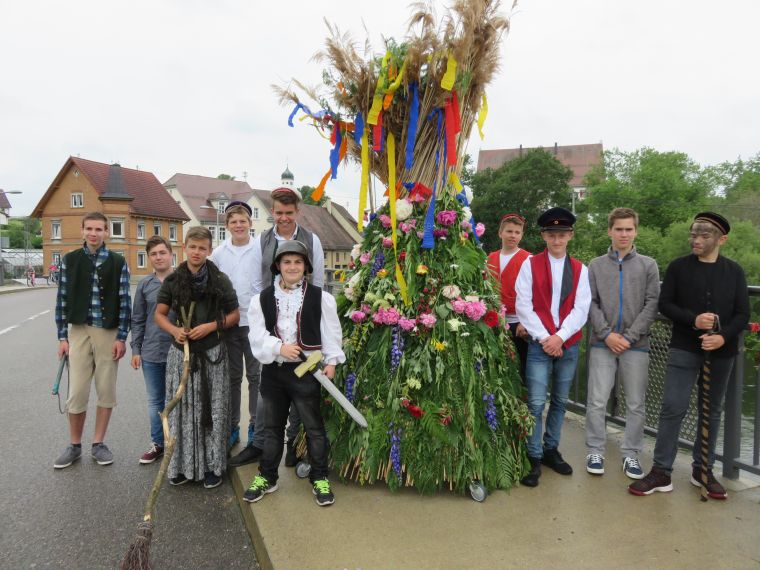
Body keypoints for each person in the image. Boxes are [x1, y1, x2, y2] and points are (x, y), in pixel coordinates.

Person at [629, 212, 749, 499]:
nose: (696, 239)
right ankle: (661, 471)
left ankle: (702, 470)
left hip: (722, 351)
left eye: (704, 235)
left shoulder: (734, 271)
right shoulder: (679, 268)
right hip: (684, 346)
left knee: (712, 410)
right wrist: (693, 320)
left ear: (722, 239)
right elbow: (666, 304)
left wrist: (722, 336)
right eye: (694, 234)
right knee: (673, 406)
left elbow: (742, 313)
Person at [242, 240, 344, 507]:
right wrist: (279, 347)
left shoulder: (321, 297)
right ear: (278, 266)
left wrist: (331, 361)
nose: (292, 267)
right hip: (274, 373)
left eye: (298, 262)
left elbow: (330, 332)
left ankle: (320, 478)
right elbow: (257, 336)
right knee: (272, 428)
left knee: (314, 428)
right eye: (287, 262)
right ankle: (267, 476)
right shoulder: (261, 299)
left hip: (307, 372)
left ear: (306, 267)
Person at [230, 187, 325, 468]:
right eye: (278, 213)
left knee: (301, 382)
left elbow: (317, 281)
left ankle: (293, 444)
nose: (283, 218)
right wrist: (265, 314)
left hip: (301, 318)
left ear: (298, 212)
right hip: (273, 319)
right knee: (266, 388)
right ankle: (259, 443)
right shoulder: (263, 239)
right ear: (272, 212)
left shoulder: (312, 240)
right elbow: (259, 280)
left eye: (289, 213)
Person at [155, 226, 240, 489]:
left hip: (212, 355)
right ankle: (181, 466)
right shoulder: (172, 280)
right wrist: (174, 330)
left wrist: (212, 326)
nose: (197, 252)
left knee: (212, 410)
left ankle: (213, 467)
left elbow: (234, 315)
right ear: (184, 248)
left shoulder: (220, 280)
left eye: (202, 248)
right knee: (182, 411)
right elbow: (159, 314)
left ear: (209, 251)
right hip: (181, 356)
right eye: (192, 247)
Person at [515, 207, 591, 487]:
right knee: (535, 403)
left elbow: (581, 309)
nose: (557, 239)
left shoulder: (581, 269)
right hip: (539, 344)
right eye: (551, 234)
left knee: (559, 401)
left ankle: (550, 449)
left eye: (562, 234)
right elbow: (524, 305)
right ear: (544, 236)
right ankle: (533, 455)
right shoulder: (530, 264)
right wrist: (546, 337)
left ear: (570, 236)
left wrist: (560, 337)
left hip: (567, 345)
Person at [585, 208, 660, 479]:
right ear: (610, 231)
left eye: (629, 229)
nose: (624, 234)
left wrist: (628, 337)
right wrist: (607, 334)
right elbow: (590, 303)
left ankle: (631, 454)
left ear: (635, 231)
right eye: (619, 229)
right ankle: (595, 450)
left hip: (636, 345)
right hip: (602, 343)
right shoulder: (595, 265)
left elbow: (652, 303)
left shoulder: (648, 265)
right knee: (596, 400)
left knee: (636, 403)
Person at [53, 212, 131, 469]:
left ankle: (98, 443)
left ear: (106, 232)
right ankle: (74, 445)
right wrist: (62, 336)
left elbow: (124, 303)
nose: (94, 233)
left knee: (106, 389)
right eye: (89, 229)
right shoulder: (70, 260)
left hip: (107, 331)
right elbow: (62, 299)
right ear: (83, 230)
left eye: (99, 229)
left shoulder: (118, 262)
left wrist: (122, 337)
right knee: (76, 391)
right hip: (78, 330)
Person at [209, 201, 261, 451]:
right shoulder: (219, 253)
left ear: (250, 224)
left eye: (243, 221)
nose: (238, 225)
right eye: (233, 222)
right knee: (232, 377)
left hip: (256, 323)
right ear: (228, 226)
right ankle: (232, 426)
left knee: (256, 377)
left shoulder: (260, 248)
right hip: (230, 323)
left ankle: (255, 425)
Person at [130, 235, 175, 464]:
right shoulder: (145, 285)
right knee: (156, 401)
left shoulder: (181, 281)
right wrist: (135, 349)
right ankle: (158, 442)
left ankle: (177, 442)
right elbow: (137, 319)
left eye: (162, 252)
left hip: (178, 352)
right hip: (151, 352)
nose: (158, 257)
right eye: (153, 254)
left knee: (178, 399)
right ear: (149, 258)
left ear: (171, 254)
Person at [486, 213, 531, 382]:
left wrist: (525, 321)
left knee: (521, 367)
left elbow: (533, 294)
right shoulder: (490, 258)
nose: (513, 235)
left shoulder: (528, 259)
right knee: (498, 365)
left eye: (517, 232)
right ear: (500, 233)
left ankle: (523, 402)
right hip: (494, 321)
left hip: (519, 323)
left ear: (521, 235)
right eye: (509, 231)